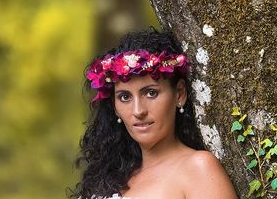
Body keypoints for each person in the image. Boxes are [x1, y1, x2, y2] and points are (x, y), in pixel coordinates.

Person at [69, 29, 237, 199]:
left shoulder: (198, 168)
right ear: (114, 106)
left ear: (179, 94)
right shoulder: (108, 176)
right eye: (125, 97)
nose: (138, 111)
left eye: (151, 93)